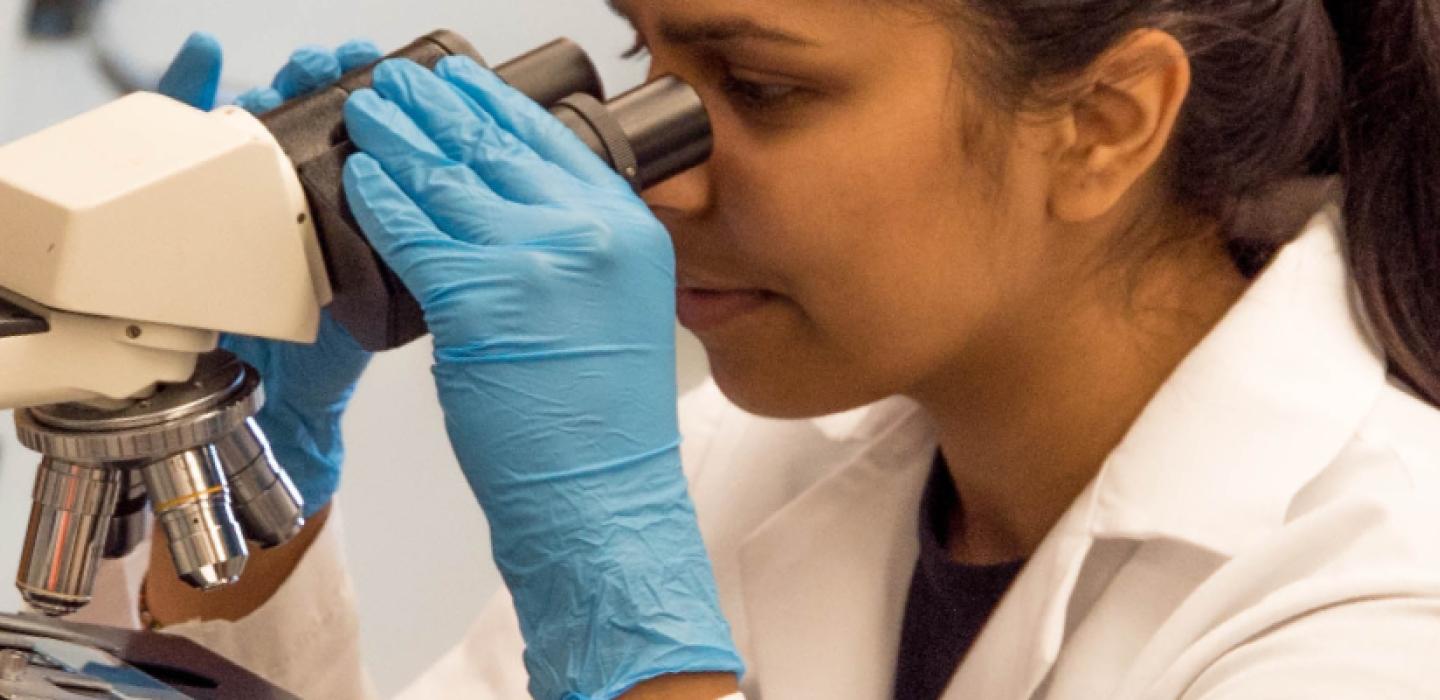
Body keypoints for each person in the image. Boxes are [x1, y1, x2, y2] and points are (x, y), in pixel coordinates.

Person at [77, 1, 1440, 698]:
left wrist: (634, 639)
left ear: (1105, 122)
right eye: (643, 55)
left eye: (765, 86)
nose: (654, 179)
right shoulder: (745, 471)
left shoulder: (1382, 603)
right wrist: (244, 473)